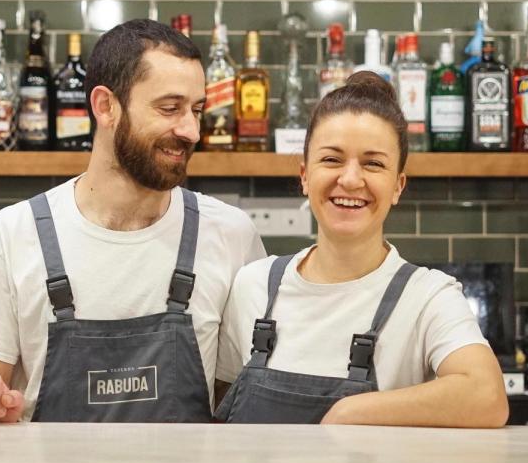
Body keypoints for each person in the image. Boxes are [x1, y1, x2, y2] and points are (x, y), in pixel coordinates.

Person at [0, 19, 265, 424]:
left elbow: (240, 408)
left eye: (196, 110)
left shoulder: (231, 235)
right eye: (170, 108)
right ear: (105, 106)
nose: (191, 131)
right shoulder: (14, 235)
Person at [214, 71, 508, 427]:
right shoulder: (253, 285)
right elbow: (222, 405)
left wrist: (350, 411)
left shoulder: (428, 297)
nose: (350, 179)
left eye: (373, 163)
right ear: (305, 175)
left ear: (398, 186)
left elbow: (486, 396)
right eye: (332, 160)